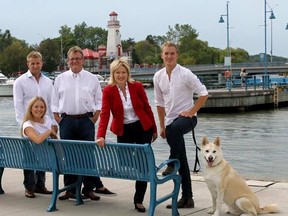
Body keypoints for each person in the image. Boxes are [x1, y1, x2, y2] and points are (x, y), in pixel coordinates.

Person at [51, 46, 116, 201]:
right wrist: (59, 119)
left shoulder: (92, 78)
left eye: (78, 58)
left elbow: (99, 101)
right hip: (66, 120)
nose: (75, 61)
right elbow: (54, 102)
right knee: (69, 155)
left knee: (88, 155)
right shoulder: (60, 79)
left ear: (83, 60)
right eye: (72, 59)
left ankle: (88, 189)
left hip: (86, 120)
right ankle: (71, 189)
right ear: (68, 61)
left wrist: (94, 119)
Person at [96, 58, 158, 213]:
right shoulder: (108, 91)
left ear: (128, 73)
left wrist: (154, 129)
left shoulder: (136, 86)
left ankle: (138, 200)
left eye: (123, 72)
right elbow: (104, 115)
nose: (121, 75)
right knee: (125, 161)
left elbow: (147, 108)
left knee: (143, 166)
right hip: (123, 129)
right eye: (118, 72)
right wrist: (100, 136)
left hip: (142, 127)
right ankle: (146, 167)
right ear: (113, 74)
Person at [153, 41, 208, 209]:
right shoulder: (158, 76)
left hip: (187, 119)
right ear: (162, 55)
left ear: (177, 55)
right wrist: (161, 126)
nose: (169, 56)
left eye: (172, 53)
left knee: (176, 129)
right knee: (182, 161)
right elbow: (159, 103)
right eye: (166, 53)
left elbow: (204, 93)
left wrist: (192, 111)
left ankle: (170, 164)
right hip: (170, 122)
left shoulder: (185, 74)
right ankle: (187, 198)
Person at [13, 51, 56, 198]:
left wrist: (53, 123)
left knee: (43, 153)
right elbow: (18, 106)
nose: (35, 65)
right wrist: (24, 125)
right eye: (32, 63)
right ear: (28, 64)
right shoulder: (20, 82)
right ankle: (29, 186)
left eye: (38, 63)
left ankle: (40, 185)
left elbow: (51, 104)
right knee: (29, 157)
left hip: (44, 122)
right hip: (29, 124)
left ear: (41, 63)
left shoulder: (48, 82)